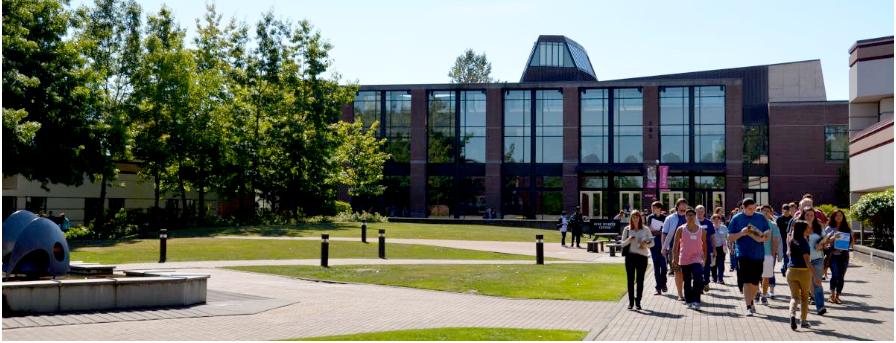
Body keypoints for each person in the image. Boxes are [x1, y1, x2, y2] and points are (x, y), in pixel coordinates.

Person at [727, 198, 771, 316]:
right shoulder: (736, 219)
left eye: (754, 208)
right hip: (743, 253)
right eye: (750, 209)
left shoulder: (760, 217)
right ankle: (748, 306)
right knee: (746, 281)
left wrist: (763, 237)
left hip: (758, 253)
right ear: (743, 208)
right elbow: (730, 237)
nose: (752, 211)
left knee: (755, 282)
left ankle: (751, 301)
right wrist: (741, 233)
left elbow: (767, 233)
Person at [787, 220, 823, 330]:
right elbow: (807, 261)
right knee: (804, 297)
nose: (809, 230)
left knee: (794, 297)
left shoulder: (792, 241)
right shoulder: (804, 243)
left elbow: (789, 254)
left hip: (791, 271)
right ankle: (803, 321)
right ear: (803, 229)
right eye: (807, 228)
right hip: (803, 272)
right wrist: (816, 277)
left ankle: (792, 314)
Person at [671, 207, 707, 310]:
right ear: (685, 217)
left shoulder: (701, 230)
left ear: (695, 216)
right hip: (684, 258)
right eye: (688, 215)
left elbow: (704, 244)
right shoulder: (681, 229)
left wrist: (704, 257)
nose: (690, 217)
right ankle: (688, 300)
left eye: (692, 215)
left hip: (696, 258)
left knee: (698, 277)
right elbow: (675, 245)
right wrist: (674, 258)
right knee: (686, 281)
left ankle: (696, 300)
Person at [621, 210, 654, 310]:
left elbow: (652, 243)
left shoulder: (645, 229)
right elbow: (622, 244)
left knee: (640, 280)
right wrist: (629, 240)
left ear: (640, 218)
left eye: (637, 217)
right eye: (633, 217)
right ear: (631, 218)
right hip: (630, 256)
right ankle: (631, 302)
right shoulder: (627, 229)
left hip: (642, 257)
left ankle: (638, 301)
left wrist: (645, 244)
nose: (635, 219)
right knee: (630, 280)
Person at [661, 198, 689, 301]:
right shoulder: (670, 218)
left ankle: (687, 291)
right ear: (677, 206)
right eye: (681, 204)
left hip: (688, 249)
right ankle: (680, 294)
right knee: (677, 271)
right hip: (674, 248)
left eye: (685, 204)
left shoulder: (690, 217)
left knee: (688, 272)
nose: (684, 206)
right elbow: (664, 233)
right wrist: (664, 247)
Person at [824, 209, 853, 304]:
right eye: (837, 215)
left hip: (844, 255)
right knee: (835, 274)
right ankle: (832, 294)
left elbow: (851, 242)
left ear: (843, 217)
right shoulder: (829, 228)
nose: (839, 217)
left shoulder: (846, 229)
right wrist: (832, 238)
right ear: (833, 217)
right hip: (833, 255)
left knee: (841, 276)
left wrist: (845, 247)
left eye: (841, 215)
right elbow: (824, 242)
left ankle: (837, 296)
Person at [802, 208, 827, 315]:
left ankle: (820, 307)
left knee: (817, 282)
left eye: (812, 215)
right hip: (804, 259)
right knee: (805, 283)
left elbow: (826, 241)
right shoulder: (799, 227)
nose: (809, 217)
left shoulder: (819, 227)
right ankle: (804, 305)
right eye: (807, 215)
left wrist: (821, 245)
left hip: (817, 258)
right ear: (804, 216)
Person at [760, 205, 782, 304]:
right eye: (763, 210)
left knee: (766, 276)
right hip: (755, 254)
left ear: (770, 213)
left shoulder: (773, 225)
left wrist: (773, 254)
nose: (765, 212)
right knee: (756, 276)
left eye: (768, 211)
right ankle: (757, 292)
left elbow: (774, 241)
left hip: (768, 254)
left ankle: (764, 295)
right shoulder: (755, 223)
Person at [646, 201, 668, 295]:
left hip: (663, 244)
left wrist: (659, 232)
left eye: (655, 207)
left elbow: (665, 231)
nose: (653, 209)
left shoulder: (664, 218)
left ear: (659, 208)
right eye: (652, 207)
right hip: (654, 244)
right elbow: (650, 230)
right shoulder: (650, 217)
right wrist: (659, 232)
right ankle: (658, 287)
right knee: (656, 266)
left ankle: (664, 282)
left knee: (664, 267)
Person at [695, 205, 715, 293]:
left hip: (707, 248)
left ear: (704, 212)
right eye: (698, 212)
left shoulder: (708, 222)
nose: (700, 213)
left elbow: (712, 236)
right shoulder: (693, 223)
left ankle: (706, 282)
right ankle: (699, 285)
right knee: (697, 267)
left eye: (702, 212)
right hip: (695, 249)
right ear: (695, 212)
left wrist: (714, 248)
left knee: (707, 266)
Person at [710, 214, 728, 284]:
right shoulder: (711, 227)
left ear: (720, 220)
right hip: (713, 247)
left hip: (722, 247)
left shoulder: (724, 227)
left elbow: (727, 237)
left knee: (721, 263)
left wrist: (730, 246)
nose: (716, 220)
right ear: (713, 220)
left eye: (718, 219)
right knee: (713, 263)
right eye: (715, 219)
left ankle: (720, 278)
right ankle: (714, 278)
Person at [777, 204, 794, 276]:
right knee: (785, 254)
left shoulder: (792, 218)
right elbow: (777, 229)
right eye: (785, 210)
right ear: (782, 210)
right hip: (783, 239)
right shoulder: (779, 219)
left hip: (791, 239)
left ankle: (784, 268)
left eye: (787, 210)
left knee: (790, 254)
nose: (786, 212)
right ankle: (785, 269)